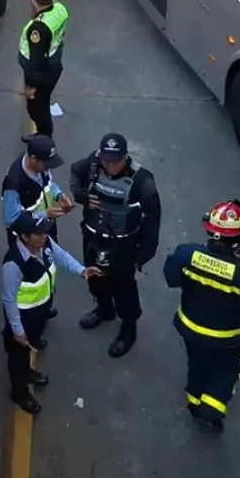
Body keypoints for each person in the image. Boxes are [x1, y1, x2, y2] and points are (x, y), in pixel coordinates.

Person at [163, 200, 240, 432]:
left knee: (197, 363)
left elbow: (171, 278)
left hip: (189, 328)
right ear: (239, 239)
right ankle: (211, 411)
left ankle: (194, 400)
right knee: (227, 370)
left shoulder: (186, 254)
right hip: (227, 338)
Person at [70, 132, 161, 358]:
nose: (110, 166)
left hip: (123, 245)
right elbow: (74, 172)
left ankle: (128, 331)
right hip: (93, 238)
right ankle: (104, 309)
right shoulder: (92, 164)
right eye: (106, 160)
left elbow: (153, 221)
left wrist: (143, 255)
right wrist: (81, 195)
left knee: (124, 290)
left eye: (115, 161)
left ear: (125, 157)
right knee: (94, 277)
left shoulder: (143, 182)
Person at [1, 210, 97, 415]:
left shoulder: (43, 245)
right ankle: (19, 392)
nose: (45, 236)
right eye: (39, 233)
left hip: (40, 312)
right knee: (17, 356)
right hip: (23, 318)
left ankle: (27, 372)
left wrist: (81, 270)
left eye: (45, 232)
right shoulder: (13, 263)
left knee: (31, 345)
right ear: (25, 237)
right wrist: (17, 330)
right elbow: (9, 299)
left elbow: (61, 255)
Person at [18, 0, 68, 138]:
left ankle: (43, 139)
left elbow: (36, 62)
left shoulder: (38, 29)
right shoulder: (60, 9)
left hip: (42, 74)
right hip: (54, 64)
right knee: (44, 101)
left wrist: (30, 86)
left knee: (37, 109)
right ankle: (44, 135)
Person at [3, 134, 74, 245]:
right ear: (33, 160)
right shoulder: (14, 182)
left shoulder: (41, 167)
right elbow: (11, 219)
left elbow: (48, 184)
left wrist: (59, 195)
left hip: (45, 229)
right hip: (28, 240)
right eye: (46, 164)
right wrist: (44, 214)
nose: (48, 167)